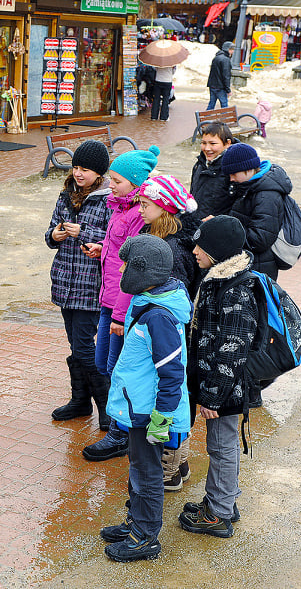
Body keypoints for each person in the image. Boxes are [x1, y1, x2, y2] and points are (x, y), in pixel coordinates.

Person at [99, 234, 192, 562]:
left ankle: (145, 536)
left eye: (127, 265)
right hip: (138, 407)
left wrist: (161, 419)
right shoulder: (148, 301)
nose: (121, 269)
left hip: (150, 413)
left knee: (147, 474)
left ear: (144, 270)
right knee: (137, 469)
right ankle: (135, 521)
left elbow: (172, 374)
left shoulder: (159, 317)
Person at [179, 215, 257, 539]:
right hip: (217, 384)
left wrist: (212, 395)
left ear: (219, 251)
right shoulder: (217, 279)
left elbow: (232, 348)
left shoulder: (235, 291)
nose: (195, 251)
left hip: (226, 389)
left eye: (202, 246)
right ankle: (221, 499)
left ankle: (219, 514)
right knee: (219, 446)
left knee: (222, 448)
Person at [82, 147, 160, 462]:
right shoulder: (119, 207)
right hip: (109, 298)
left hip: (121, 305)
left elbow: (134, 268)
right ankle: (122, 427)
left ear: (135, 182)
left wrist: (119, 315)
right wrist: (102, 248)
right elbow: (118, 252)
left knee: (117, 370)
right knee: (104, 364)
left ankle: (121, 434)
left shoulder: (137, 214)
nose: (110, 185)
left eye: (116, 180)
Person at [134, 174, 201, 491]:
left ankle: (170, 468)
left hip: (166, 337)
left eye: (146, 205)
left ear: (163, 208)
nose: (140, 210)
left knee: (170, 396)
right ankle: (180, 461)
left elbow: (169, 304)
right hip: (161, 333)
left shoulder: (171, 251)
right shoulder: (159, 237)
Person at [45, 140, 111, 427]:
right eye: (75, 167)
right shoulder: (66, 194)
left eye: (85, 169)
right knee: (75, 345)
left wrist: (83, 232)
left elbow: (112, 238)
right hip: (64, 281)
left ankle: (107, 409)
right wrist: (55, 235)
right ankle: (81, 402)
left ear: (99, 173)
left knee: (85, 347)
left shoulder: (109, 198)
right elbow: (50, 231)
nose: (78, 173)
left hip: (90, 284)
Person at [221, 143, 288, 280]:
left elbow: (260, 239)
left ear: (248, 169)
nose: (231, 179)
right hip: (249, 263)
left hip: (258, 268)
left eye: (233, 174)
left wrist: (223, 230)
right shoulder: (248, 187)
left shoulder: (266, 195)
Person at [190, 121, 235, 220]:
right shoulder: (199, 165)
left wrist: (219, 221)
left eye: (212, 143)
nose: (207, 148)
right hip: (196, 224)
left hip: (217, 228)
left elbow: (240, 207)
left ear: (227, 143)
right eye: (203, 143)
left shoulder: (233, 170)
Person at [206, 41, 233, 110]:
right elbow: (226, 76)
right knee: (224, 105)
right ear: (228, 49)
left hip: (212, 85)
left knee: (211, 104)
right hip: (220, 87)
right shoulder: (226, 60)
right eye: (232, 49)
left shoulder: (216, 57)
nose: (232, 51)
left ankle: (204, 118)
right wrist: (228, 90)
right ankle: (224, 120)